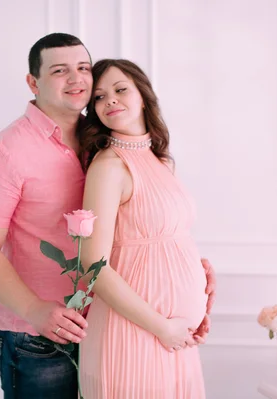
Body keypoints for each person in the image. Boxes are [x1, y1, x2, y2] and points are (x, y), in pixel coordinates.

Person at [0, 32, 216, 398]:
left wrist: (189, 272)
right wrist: (36, 310)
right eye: (60, 70)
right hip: (38, 336)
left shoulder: (100, 139)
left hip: (105, 321)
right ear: (33, 82)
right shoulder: (3, 154)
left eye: (83, 68)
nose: (77, 78)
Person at [78, 59, 212, 398]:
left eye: (120, 90)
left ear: (143, 96)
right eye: (98, 97)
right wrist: (162, 327)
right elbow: (93, 266)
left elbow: (170, 239)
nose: (109, 101)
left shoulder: (160, 160)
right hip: (136, 330)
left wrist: (200, 278)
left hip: (174, 336)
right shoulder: (109, 166)